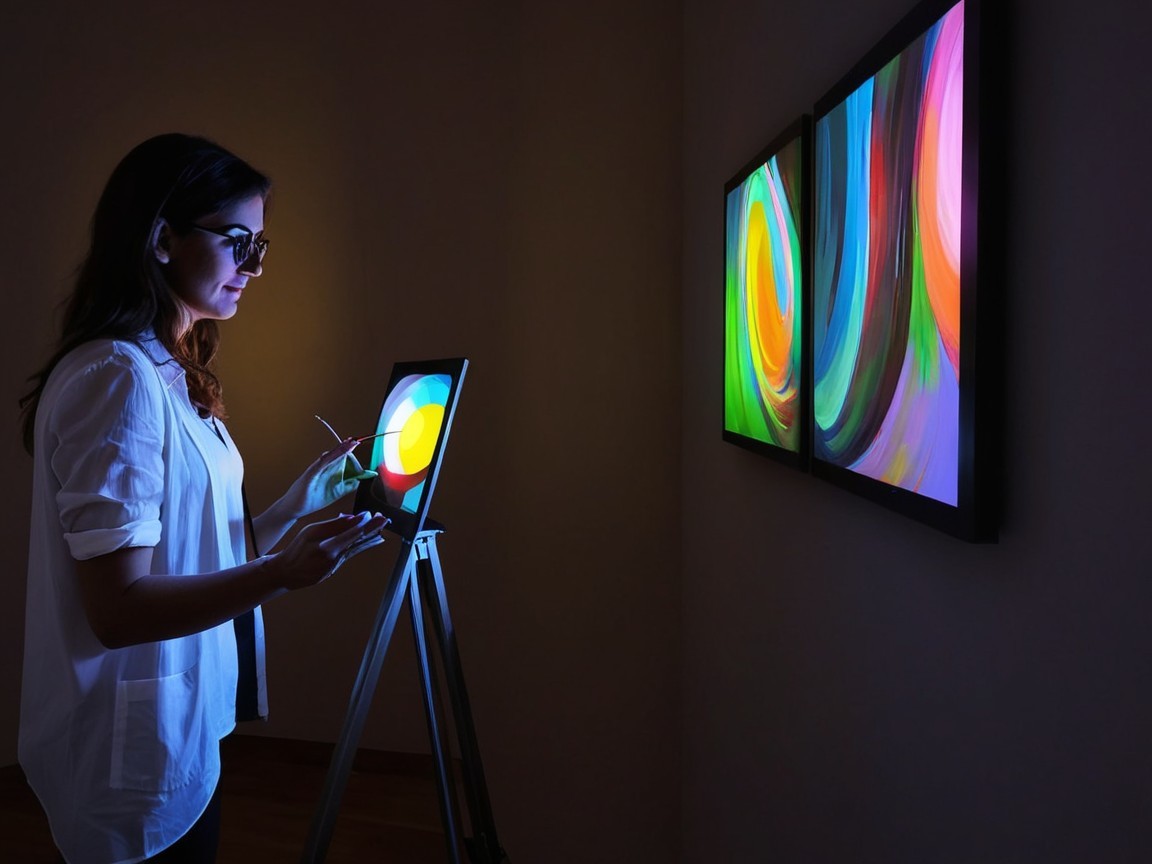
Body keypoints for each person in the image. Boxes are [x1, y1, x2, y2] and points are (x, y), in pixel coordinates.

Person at [17, 133, 388, 864]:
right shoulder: (116, 377)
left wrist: (292, 506)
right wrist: (282, 573)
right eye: (236, 242)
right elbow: (119, 610)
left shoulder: (165, 367)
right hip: (134, 759)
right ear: (162, 239)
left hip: (181, 733)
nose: (252, 269)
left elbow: (189, 539)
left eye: (261, 248)